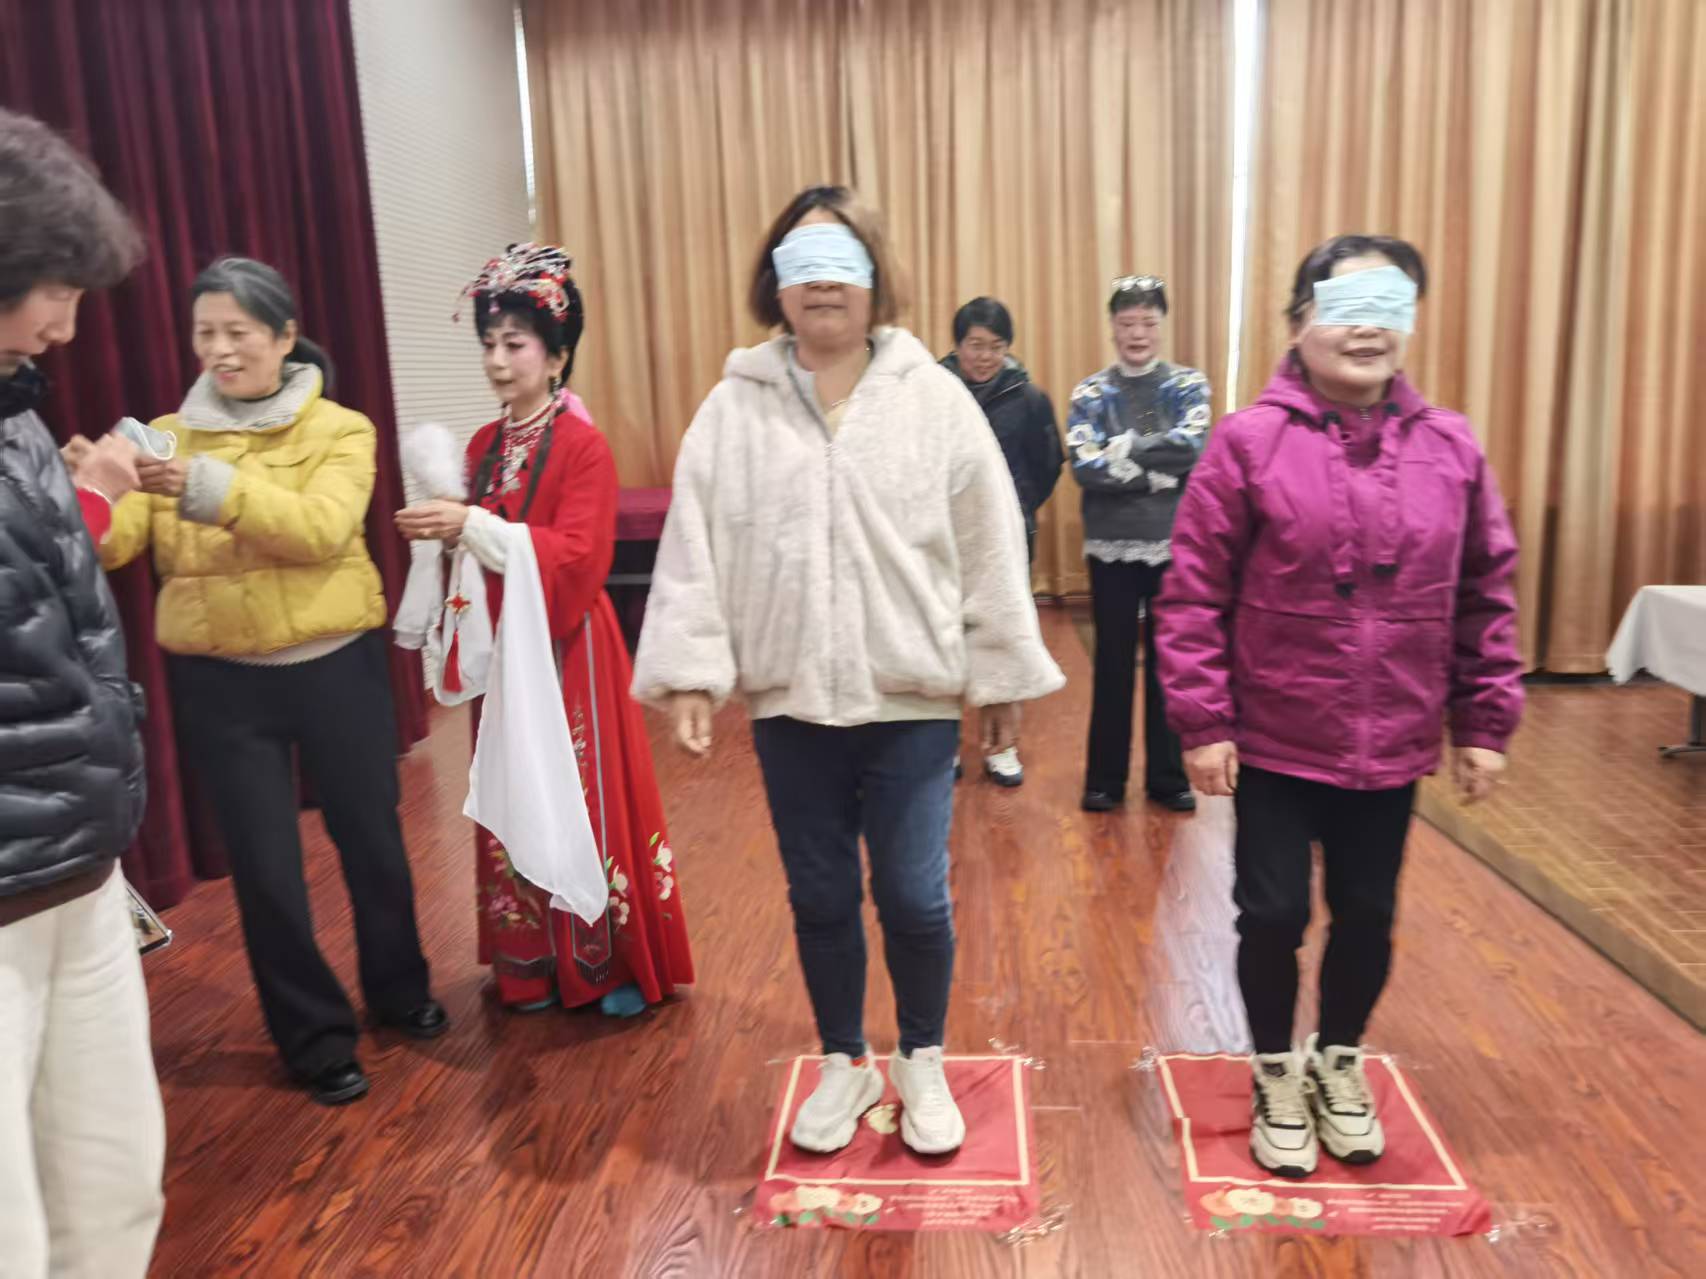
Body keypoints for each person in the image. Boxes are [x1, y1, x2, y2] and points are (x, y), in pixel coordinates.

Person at [633, 186, 1064, 1157]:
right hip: (789, 700)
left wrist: (999, 675)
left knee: (913, 893)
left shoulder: (932, 397)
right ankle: (843, 1057)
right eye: (801, 264)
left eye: (841, 262)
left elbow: (990, 536)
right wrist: (693, 666)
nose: (821, 283)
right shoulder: (734, 406)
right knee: (820, 893)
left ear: (874, 277)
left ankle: (920, 1054)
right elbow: (694, 540)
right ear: (774, 283)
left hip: (910, 696)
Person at [1157, 235, 1522, 1179]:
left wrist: (1485, 721)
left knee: (1367, 913)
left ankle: (1339, 1058)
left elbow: (1486, 589)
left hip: (1392, 738)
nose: (1368, 328)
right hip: (1277, 734)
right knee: (1272, 913)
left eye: (1390, 307)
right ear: (1299, 322)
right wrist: (1203, 721)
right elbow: (1193, 593)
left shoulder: (1451, 446)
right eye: (1346, 306)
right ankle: (1276, 1072)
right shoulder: (1248, 442)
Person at [97, 257, 445, 1107]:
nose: (219, 350)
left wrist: (205, 487)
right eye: (204, 334)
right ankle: (314, 1038)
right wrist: (91, 484)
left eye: (238, 333)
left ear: (285, 337)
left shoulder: (342, 429)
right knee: (265, 870)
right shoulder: (163, 436)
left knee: (373, 844)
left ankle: (399, 989)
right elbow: (114, 544)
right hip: (221, 685)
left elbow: (322, 528)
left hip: (335, 668)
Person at [395, 244, 694, 1017]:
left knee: (582, 798)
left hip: (568, 649)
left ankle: (605, 962)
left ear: (557, 356)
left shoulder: (585, 447)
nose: (498, 360)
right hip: (503, 646)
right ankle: (529, 962)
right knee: (511, 789)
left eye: (516, 344)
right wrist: (450, 538)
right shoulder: (481, 446)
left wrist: (473, 526)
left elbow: (579, 557)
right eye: (489, 344)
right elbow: (488, 549)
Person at [0, 106, 164, 1279]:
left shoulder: (17, 412)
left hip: (79, 865)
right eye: (53, 289)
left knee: (112, 1184)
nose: (66, 322)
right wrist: (99, 499)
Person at [1067, 275, 1209, 815]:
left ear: (1162, 325)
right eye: (1127, 323)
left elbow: (1191, 446)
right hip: (1109, 546)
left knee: (1169, 662)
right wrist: (1157, 474)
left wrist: (1123, 447)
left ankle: (1167, 778)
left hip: (1172, 545)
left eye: (1148, 322)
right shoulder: (1090, 393)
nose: (1138, 333)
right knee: (1112, 661)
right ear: (1112, 327)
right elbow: (1085, 466)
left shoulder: (1188, 385)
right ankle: (1105, 779)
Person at [942, 296, 1063, 788]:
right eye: (975, 345)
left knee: (1005, 636)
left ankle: (1003, 747)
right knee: (945, 637)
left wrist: (1018, 508)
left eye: (996, 346)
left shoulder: (1029, 398)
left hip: (1008, 538)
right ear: (957, 345)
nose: (985, 356)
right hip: (944, 537)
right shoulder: (934, 393)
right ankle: (946, 745)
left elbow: (1048, 462)